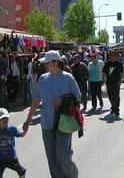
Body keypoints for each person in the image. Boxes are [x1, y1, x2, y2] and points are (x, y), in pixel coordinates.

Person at [23, 50, 81, 178]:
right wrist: (28, 120)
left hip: (64, 124)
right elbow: (36, 100)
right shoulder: (43, 79)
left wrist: (63, 99)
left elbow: (78, 97)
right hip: (47, 124)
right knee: (52, 159)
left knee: (62, 156)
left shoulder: (68, 78)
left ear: (55, 62)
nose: (45, 65)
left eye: (47, 63)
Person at [0, 108, 26, 178]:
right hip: (0, 158)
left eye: (6, 117)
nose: (5, 120)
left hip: (11, 157)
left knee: (20, 170)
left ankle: (22, 174)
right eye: (2, 119)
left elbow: (21, 135)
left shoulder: (12, 129)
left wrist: (25, 131)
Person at [103, 51, 124, 117]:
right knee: (110, 96)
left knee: (116, 96)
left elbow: (121, 73)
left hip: (116, 82)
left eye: (114, 55)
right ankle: (113, 107)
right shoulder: (107, 63)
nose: (112, 57)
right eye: (111, 55)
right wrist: (104, 79)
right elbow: (104, 72)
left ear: (116, 56)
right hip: (108, 82)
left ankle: (116, 110)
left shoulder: (119, 64)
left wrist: (120, 80)